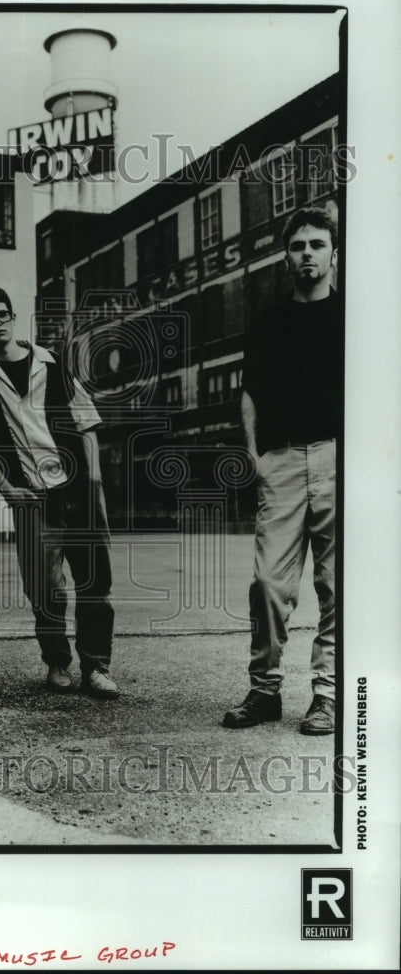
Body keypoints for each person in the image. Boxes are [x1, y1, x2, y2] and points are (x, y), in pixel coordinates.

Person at [223, 206, 341, 735]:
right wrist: (257, 457)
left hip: (340, 457)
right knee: (270, 583)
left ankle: (328, 695)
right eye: (298, 246)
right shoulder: (269, 322)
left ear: (333, 253)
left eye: (317, 244)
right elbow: (250, 393)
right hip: (283, 461)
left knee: (337, 583)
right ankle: (264, 690)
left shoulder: (355, 318)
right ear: (286, 257)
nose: (307, 254)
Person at [0, 287, 117, 699]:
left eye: (1, 315)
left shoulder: (50, 360)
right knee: (45, 590)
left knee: (94, 583)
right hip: (30, 496)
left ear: (12, 317)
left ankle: (97, 667)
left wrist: (95, 483)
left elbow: (86, 422)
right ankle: (57, 662)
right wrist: (5, 487)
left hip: (77, 489)